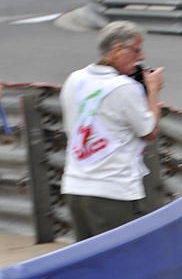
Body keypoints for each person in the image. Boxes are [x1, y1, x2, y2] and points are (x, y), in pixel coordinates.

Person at [60, 20, 164, 240]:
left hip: (75, 188)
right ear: (117, 50)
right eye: (136, 50)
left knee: (89, 264)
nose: (141, 57)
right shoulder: (125, 88)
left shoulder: (74, 79)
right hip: (113, 193)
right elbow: (149, 130)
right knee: (123, 264)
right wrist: (153, 90)